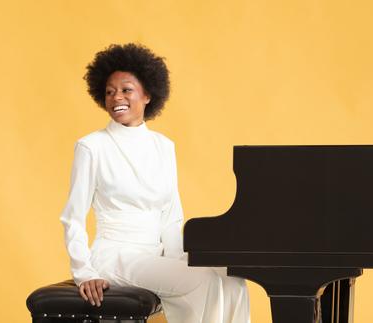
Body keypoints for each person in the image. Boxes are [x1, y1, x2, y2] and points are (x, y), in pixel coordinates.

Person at [60, 43, 250, 323]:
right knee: (200, 282)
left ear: (148, 94)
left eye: (126, 89)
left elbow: (172, 216)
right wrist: (84, 272)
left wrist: (177, 261)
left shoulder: (164, 146)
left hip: (156, 256)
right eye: (110, 92)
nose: (116, 98)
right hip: (115, 256)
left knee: (233, 279)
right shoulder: (91, 147)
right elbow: (72, 218)